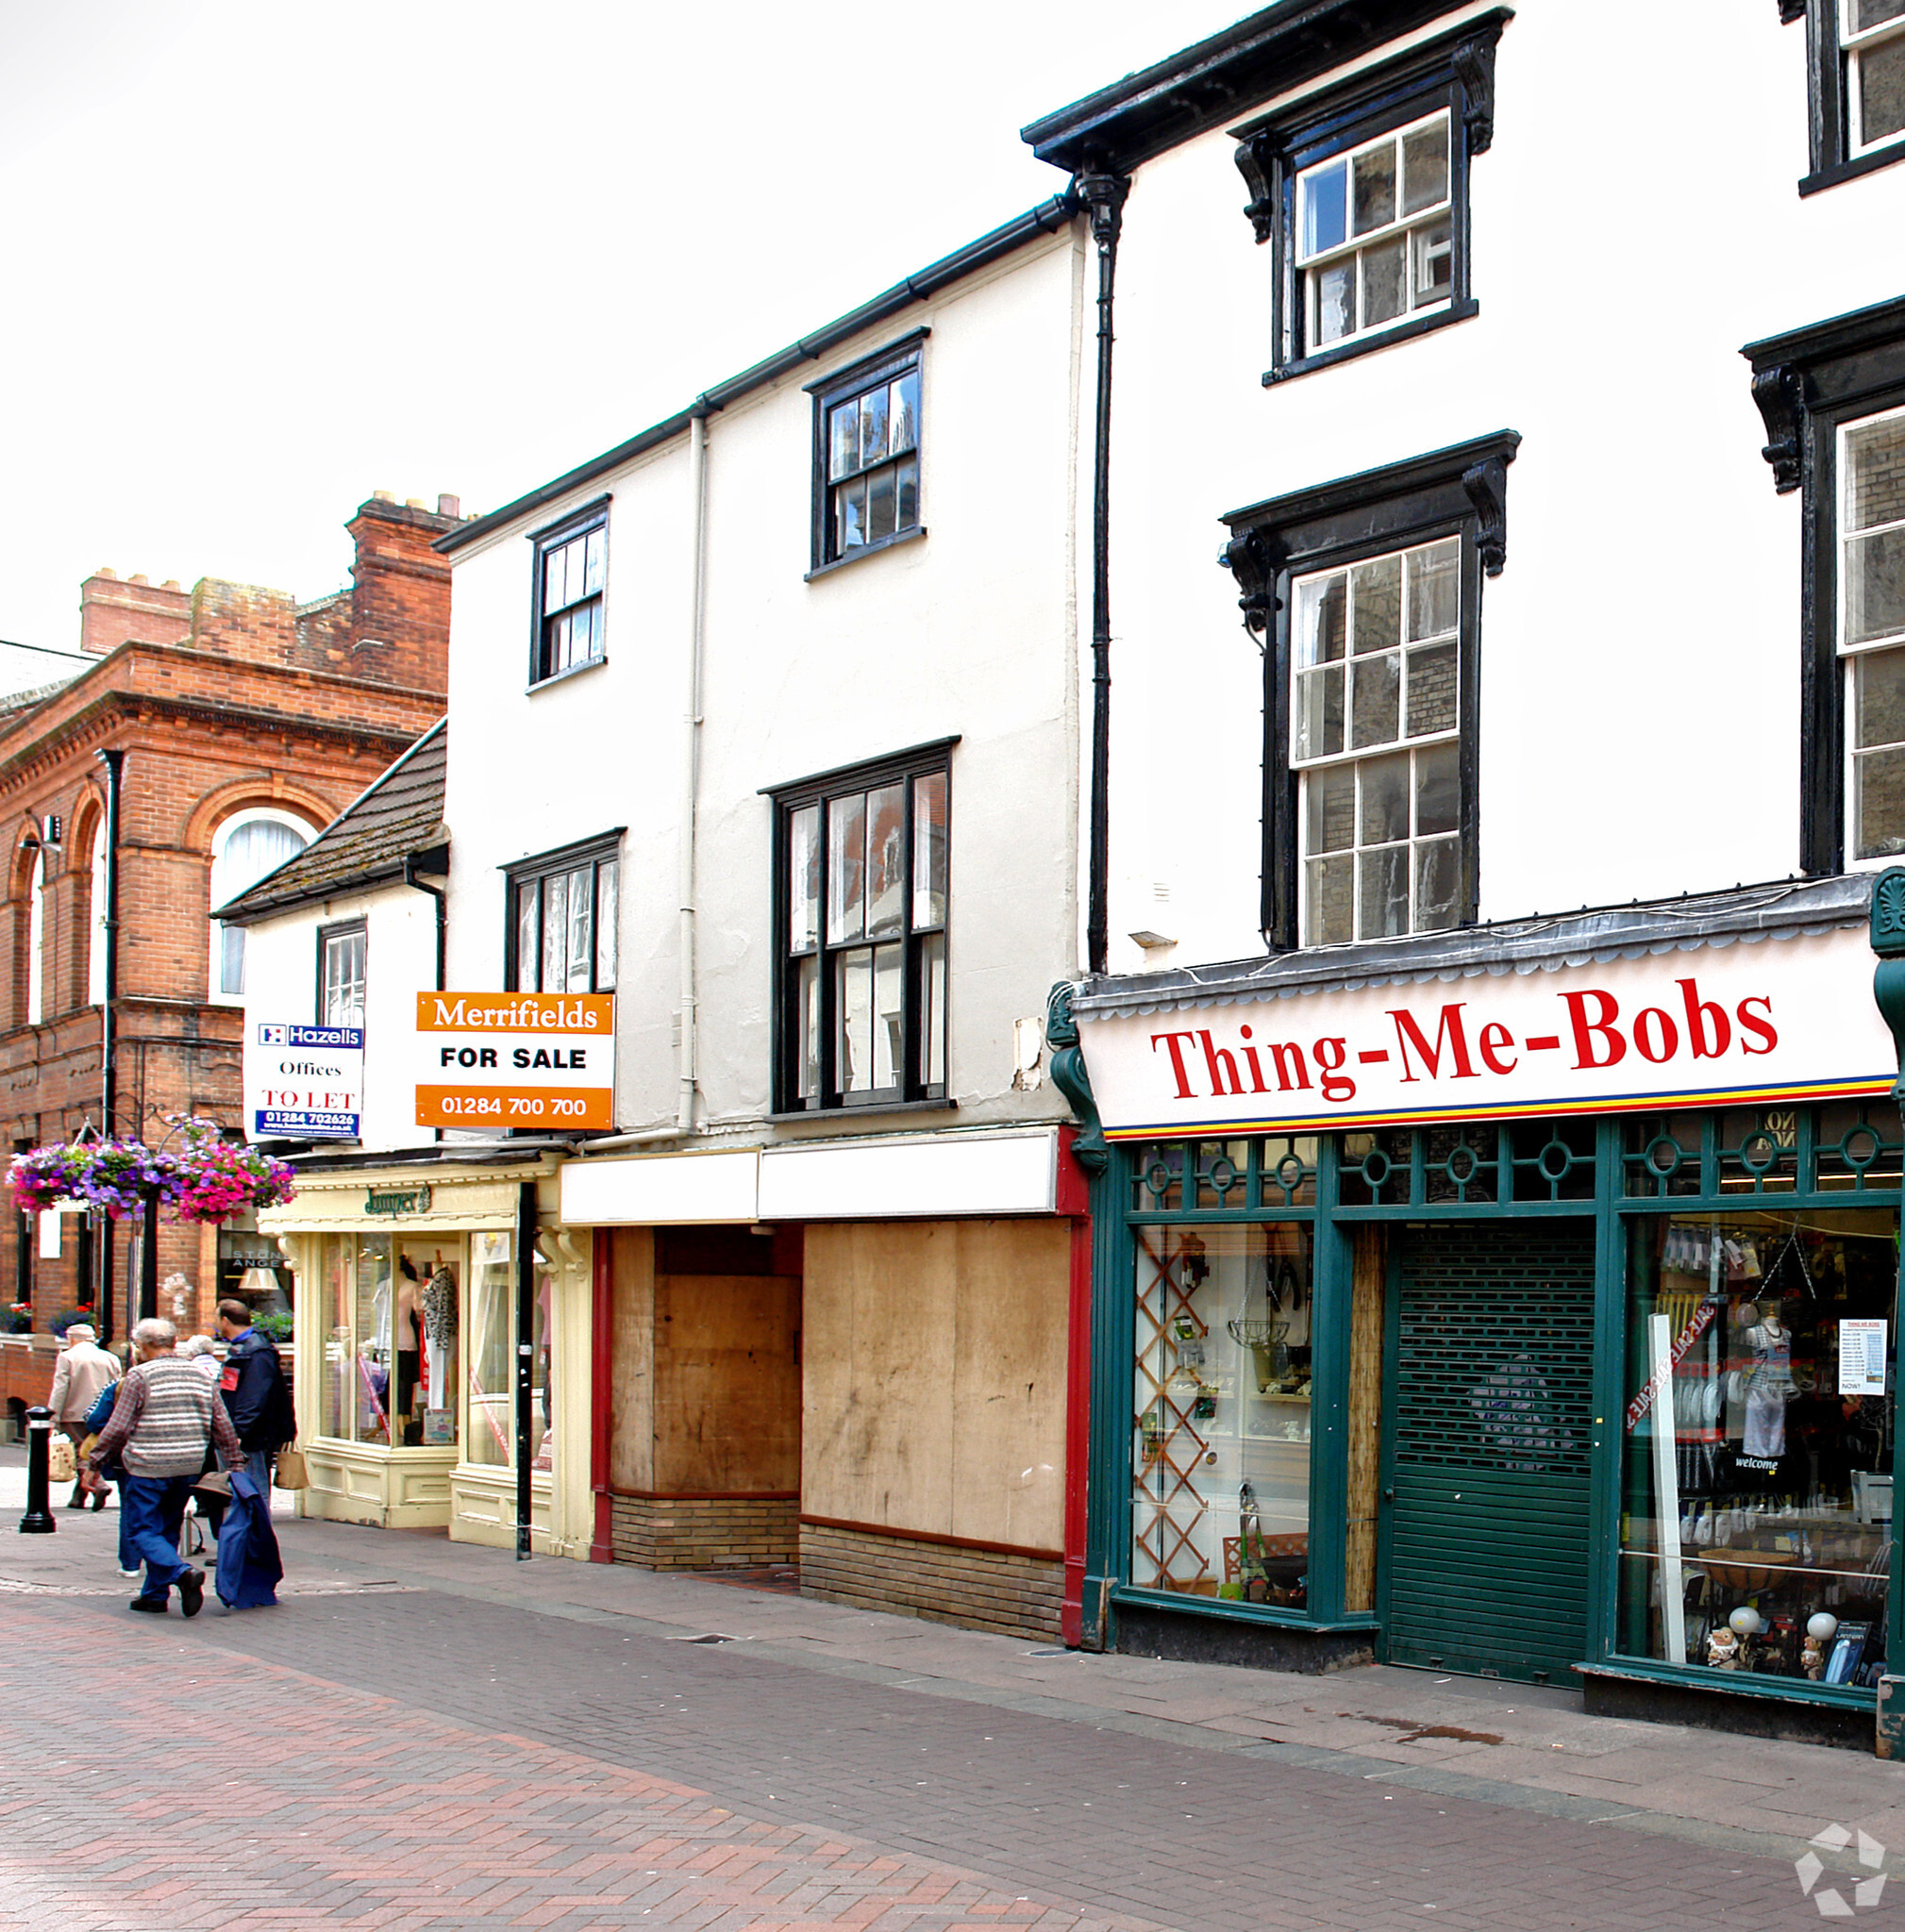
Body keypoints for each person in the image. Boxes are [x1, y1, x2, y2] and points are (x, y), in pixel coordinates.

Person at [88, 1316, 241, 1616]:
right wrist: (235, 1461)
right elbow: (222, 1424)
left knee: (141, 1530)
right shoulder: (199, 1375)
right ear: (172, 1343)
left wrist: (94, 1459)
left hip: (148, 1465)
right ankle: (155, 1595)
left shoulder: (140, 1376)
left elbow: (118, 1427)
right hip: (188, 1465)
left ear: (143, 1346)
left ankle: (182, 1573)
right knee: (167, 1528)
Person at [215, 1298, 293, 1494]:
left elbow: (254, 1395)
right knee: (237, 1487)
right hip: (236, 1430)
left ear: (225, 1321)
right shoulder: (241, 1349)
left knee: (252, 1488)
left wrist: (239, 1431)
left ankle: (255, 1525)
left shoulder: (256, 1352)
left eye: (215, 1318)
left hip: (251, 1435)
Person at [45, 1322, 119, 1510]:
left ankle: (99, 1485)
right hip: (103, 1414)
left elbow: (60, 1390)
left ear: (72, 1338)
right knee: (90, 1450)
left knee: (81, 1452)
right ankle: (78, 1497)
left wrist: (52, 1416)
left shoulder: (67, 1357)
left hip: (74, 1413)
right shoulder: (110, 1358)